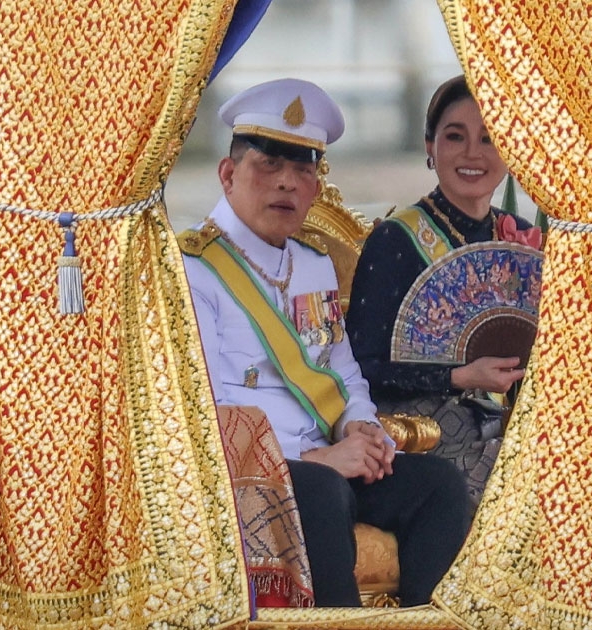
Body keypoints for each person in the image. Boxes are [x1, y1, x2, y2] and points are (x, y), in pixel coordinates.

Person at [180, 78, 470, 607]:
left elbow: (343, 370)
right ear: (228, 174)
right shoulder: (192, 271)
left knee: (439, 485)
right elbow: (200, 410)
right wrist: (318, 457)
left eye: (303, 169)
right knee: (320, 491)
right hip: (251, 474)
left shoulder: (311, 267)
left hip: (329, 459)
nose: (287, 183)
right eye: (269, 164)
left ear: (316, 186)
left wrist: (359, 425)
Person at [345, 76, 542, 507]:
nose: (474, 153)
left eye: (490, 138)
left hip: (512, 423)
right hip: (422, 428)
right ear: (430, 146)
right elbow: (363, 366)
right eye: (456, 136)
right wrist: (461, 376)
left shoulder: (522, 240)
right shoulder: (397, 241)